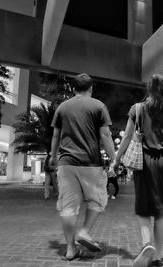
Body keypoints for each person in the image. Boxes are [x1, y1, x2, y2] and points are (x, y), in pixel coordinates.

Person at [113, 73, 163, 267]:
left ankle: (147, 244)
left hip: (144, 163)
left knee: (144, 208)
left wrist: (117, 158)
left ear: (151, 88)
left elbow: (128, 137)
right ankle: (157, 258)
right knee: (161, 212)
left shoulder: (138, 108)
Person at [49, 73, 115, 261]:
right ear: (91, 88)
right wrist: (114, 158)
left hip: (66, 163)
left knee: (68, 207)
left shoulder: (63, 107)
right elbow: (105, 135)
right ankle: (84, 231)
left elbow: (56, 135)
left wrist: (53, 156)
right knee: (97, 199)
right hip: (90, 163)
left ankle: (70, 249)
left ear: (73, 88)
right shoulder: (99, 106)